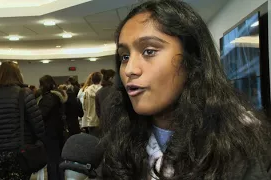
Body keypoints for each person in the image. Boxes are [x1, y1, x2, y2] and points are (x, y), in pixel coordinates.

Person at [100, 0, 271, 180]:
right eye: (124, 56)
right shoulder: (118, 143)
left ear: (192, 59)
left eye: (149, 51)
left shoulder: (248, 148)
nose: (129, 69)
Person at [0, 61, 45, 180]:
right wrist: (36, 142)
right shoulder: (24, 93)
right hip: (20, 151)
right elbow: (38, 126)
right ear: (18, 75)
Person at [38, 75, 65, 180]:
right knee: (58, 160)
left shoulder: (48, 98)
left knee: (52, 161)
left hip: (50, 133)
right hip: (58, 132)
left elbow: (41, 115)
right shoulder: (58, 96)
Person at [82, 72, 102, 136]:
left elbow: (84, 106)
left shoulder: (87, 90)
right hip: (102, 120)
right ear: (101, 79)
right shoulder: (103, 90)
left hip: (91, 120)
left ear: (92, 80)